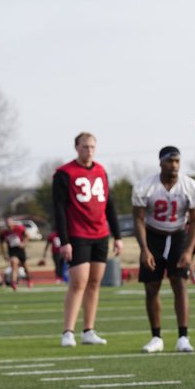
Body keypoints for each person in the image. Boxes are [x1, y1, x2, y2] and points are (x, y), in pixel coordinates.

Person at [132, 146, 195, 353]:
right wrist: (144, 249)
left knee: (179, 283)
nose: (173, 165)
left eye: (176, 161)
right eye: (169, 161)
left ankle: (183, 336)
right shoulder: (145, 186)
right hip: (153, 235)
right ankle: (156, 337)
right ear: (160, 163)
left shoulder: (190, 186)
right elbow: (138, 219)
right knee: (151, 286)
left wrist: (189, 250)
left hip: (178, 235)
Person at [52, 132, 123, 346]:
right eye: (84, 147)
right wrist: (64, 240)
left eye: (92, 147)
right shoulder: (64, 173)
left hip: (100, 233)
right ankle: (68, 331)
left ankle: (88, 330)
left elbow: (109, 205)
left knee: (94, 283)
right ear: (77, 148)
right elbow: (59, 209)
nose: (89, 150)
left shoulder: (101, 171)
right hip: (78, 234)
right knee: (78, 283)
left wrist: (117, 236)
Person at [0, 216, 31, 290]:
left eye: (10, 223)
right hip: (12, 251)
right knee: (14, 264)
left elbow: (27, 235)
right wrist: (3, 254)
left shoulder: (19, 228)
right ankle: (13, 283)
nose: (9, 225)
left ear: (13, 223)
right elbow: (1, 244)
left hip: (20, 249)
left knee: (25, 266)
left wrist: (24, 243)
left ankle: (29, 280)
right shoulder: (4, 233)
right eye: (7, 224)